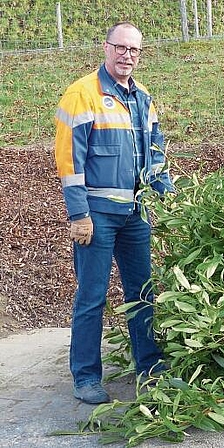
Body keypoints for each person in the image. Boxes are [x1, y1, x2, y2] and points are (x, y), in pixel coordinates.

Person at [54, 21, 174, 404]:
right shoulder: (81, 95)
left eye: (134, 50)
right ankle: (86, 377)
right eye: (120, 48)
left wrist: (169, 198)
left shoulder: (143, 97)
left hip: (135, 214)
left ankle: (150, 367)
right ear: (105, 48)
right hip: (97, 216)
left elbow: (155, 153)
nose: (127, 56)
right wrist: (78, 215)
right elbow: (69, 160)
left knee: (142, 292)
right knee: (92, 296)